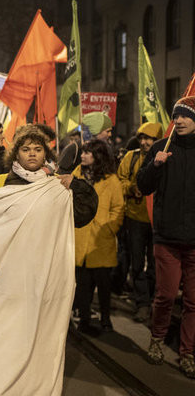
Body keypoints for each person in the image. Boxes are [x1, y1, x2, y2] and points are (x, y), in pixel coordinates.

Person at [137, 96, 195, 379]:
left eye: (185, 115)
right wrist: (155, 166)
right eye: (176, 116)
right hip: (167, 238)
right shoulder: (162, 147)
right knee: (166, 295)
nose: (179, 120)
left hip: (194, 240)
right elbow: (143, 185)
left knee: (193, 301)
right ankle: (157, 339)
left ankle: (187, 352)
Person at [0, 124, 98, 228]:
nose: (32, 154)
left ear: (45, 154)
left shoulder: (58, 184)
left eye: (38, 149)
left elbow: (83, 215)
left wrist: (77, 186)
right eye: (25, 149)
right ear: (16, 154)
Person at [71, 139, 125, 333]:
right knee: (83, 284)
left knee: (103, 284)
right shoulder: (75, 176)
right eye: (83, 152)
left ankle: (105, 318)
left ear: (98, 156)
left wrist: (109, 228)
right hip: (80, 235)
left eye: (87, 152)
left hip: (101, 239)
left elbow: (118, 208)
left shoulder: (111, 180)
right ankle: (84, 318)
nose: (83, 155)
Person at [117, 122, 162, 322]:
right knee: (136, 264)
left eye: (149, 138)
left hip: (157, 221)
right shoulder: (131, 157)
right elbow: (119, 181)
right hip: (134, 218)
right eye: (142, 138)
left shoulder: (165, 158)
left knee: (155, 264)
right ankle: (142, 303)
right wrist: (130, 188)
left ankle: (152, 300)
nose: (144, 142)